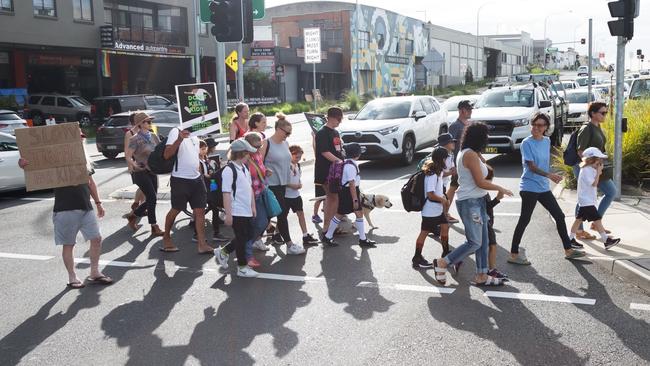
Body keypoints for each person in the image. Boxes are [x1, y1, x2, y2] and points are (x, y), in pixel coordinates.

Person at [18, 130, 113, 289]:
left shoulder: (84, 160)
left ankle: (94, 272)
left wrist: (98, 203)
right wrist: (24, 165)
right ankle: (72, 277)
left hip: (86, 208)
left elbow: (90, 183)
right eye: (78, 138)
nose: (81, 141)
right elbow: (36, 167)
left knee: (96, 238)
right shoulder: (56, 160)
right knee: (69, 244)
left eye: (82, 138)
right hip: (65, 209)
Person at [432, 123, 513, 286]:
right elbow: (480, 182)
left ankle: (481, 275)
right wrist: (500, 188)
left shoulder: (472, 153)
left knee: (482, 241)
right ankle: (443, 262)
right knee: (475, 242)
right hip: (470, 203)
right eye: (485, 136)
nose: (487, 139)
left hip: (479, 201)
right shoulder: (468, 154)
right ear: (479, 138)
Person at [509, 113, 585, 265]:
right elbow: (531, 166)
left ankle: (568, 250)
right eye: (535, 124)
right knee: (525, 220)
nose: (536, 128)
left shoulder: (546, 141)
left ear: (545, 128)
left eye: (540, 125)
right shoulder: (526, 143)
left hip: (543, 187)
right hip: (529, 187)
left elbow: (545, 162)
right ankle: (514, 254)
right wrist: (549, 175)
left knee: (559, 215)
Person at [161, 127, 213, 254]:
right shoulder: (175, 131)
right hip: (180, 179)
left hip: (196, 179)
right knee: (176, 209)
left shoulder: (194, 135)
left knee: (200, 211)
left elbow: (195, 157)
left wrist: (200, 176)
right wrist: (180, 138)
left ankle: (202, 244)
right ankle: (166, 237)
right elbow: (167, 154)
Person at [571, 102, 617, 240]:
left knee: (609, 193)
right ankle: (579, 231)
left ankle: (596, 223)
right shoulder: (587, 128)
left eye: (606, 113)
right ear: (593, 114)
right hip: (588, 168)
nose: (605, 115)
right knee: (584, 199)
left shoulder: (597, 127)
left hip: (596, 167)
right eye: (602, 113)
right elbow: (581, 151)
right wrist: (593, 167)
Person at [214, 139, 259, 278]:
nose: (249, 157)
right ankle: (242, 267)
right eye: (248, 154)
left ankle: (223, 252)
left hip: (246, 209)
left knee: (248, 235)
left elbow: (249, 188)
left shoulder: (244, 168)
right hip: (236, 210)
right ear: (241, 154)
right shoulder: (229, 170)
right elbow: (226, 193)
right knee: (241, 238)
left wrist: (253, 206)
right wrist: (228, 214)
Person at [262, 117, 306, 255]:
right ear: (277, 129)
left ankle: (255, 239)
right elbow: (258, 163)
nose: (288, 135)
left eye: (290, 133)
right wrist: (265, 170)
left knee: (268, 215)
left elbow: (286, 160)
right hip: (271, 185)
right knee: (280, 214)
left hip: (283, 184)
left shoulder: (285, 143)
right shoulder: (266, 143)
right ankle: (289, 244)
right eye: (286, 132)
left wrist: (291, 167)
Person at [322, 143, 377, 247]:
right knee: (342, 214)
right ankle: (361, 239)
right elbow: (351, 183)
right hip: (350, 192)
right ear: (357, 154)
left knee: (351, 213)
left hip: (346, 191)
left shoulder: (347, 163)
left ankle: (361, 238)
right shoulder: (351, 166)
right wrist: (355, 200)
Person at [569, 147, 621, 249]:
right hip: (586, 202)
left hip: (585, 201)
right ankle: (606, 240)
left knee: (578, 220)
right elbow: (594, 184)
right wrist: (598, 172)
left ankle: (570, 239)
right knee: (597, 219)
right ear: (592, 159)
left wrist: (598, 171)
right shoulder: (586, 170)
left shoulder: (589, 169)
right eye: (599, 159)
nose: (601, 161)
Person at [124, 112, 163, 236]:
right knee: (151, 197)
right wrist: (134, 165)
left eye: (150, 121)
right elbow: (128, 155)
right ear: (140, 124)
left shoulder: (153, 136)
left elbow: (160, 151)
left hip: (153, 170)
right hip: (140, 172)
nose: (150, 123)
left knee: (153, 198)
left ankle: (133, 215)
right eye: (148, 121)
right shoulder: (134, 138)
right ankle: (154, 226)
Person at [412, 147, 451, 269]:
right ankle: (417, 257)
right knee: (424, 232)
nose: (447, 160)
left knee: (445, 227)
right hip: (430, 210)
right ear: (442, 159)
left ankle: (445, 253)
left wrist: (443, 197)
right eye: (446, 158)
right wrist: (443, 200)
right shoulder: (432, 174)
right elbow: (430, 194)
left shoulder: (438, 171)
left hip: (437, 209)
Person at [190, 138, 228, 243]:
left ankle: (208, 233)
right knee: (208, 210)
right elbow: (199, 175)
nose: (204, 151)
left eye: (205, 148)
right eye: (202, 149)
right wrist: (207, 175)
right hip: (202, 190)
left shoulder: (205, 159)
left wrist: (211, 171)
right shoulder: (197, 161)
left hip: (210, 188)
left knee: (213, 209)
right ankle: (207, 234)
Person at [315, 107, 344, 238]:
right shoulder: (321, 133)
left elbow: (338, 149)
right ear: (331, 117)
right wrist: (339, 161)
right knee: (332, 198)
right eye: (339, 119)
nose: (340, 121)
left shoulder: (335, 132)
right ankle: (327, 228)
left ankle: (330, 227)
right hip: (326, 171)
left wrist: (342, 159)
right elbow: (324, 152)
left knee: (333, 198)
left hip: (336, 171)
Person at [244, 132, 271, 268]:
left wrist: (266, 172)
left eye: (260, 145)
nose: (259, 148)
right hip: (249, 198)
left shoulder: (258, 155)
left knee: (262, 223)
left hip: (260, 193)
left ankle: (246, 247)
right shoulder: (245, 159)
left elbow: (260, 171)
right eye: (256, 146)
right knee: (259, 223)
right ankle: (245, 251)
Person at [445, 100, 474, 224]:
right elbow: (448, 146)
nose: (471, 111)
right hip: (458, 164)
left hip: (467, 163)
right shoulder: (455, 126)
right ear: (463, 110)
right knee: (453, 188)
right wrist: (452, 165)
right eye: (469, 109)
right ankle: (444, 214)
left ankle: (444, 213)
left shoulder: (468, 124)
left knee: (456, 187)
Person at [285, 145, 319, 247]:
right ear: (290, 154)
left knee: (301, 214)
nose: (298, 159)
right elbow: (282, 181)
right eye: (296, 157)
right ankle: (277, 234)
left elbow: (298, 178)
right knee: (283, 217)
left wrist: (299, 184)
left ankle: (305, 236)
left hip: (296, 195)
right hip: (286, 196)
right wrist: (293, 186)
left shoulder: (298, 165)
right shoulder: (286, 166)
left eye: (300, 157)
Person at [484, 167, 508, 279]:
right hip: (485, 221)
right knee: (492, 245)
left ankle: (453, 260)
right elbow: (485, 208)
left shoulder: (481, 191)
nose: (490, 182)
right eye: (489, 179)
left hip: (486, 221)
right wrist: (498, 199)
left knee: (473, 245)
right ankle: (492, 270)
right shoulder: (481, 191)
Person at [123, 112, 146, 218]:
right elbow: (127, 150)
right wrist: (130, 165)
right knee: (143, 186)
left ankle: (140, 206)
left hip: (146, 164)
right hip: (136, 164)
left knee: (145, 188)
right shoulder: (130, 134)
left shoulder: (146, 131)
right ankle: (137, 204)